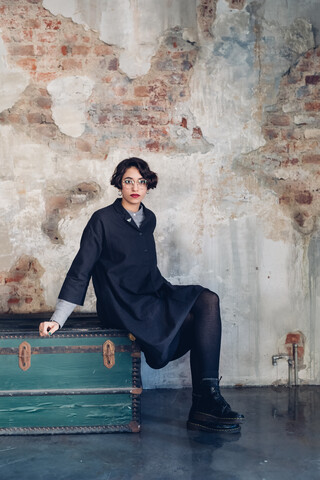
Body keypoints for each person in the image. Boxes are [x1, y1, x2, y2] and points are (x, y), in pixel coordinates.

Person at [39, 157, 244, 433]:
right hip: (120, 302)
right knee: (186, 318)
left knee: (208, 300)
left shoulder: (149, 219)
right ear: (119, 185)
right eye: (128, 181)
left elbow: (147, 269)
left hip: (151, 292)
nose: (135, 187)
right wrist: (58, 318)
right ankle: (189, 386)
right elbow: (81, 269)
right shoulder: (102, 220)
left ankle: (205, 402)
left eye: (141, 181)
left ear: (148, 186)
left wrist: (166, 295)